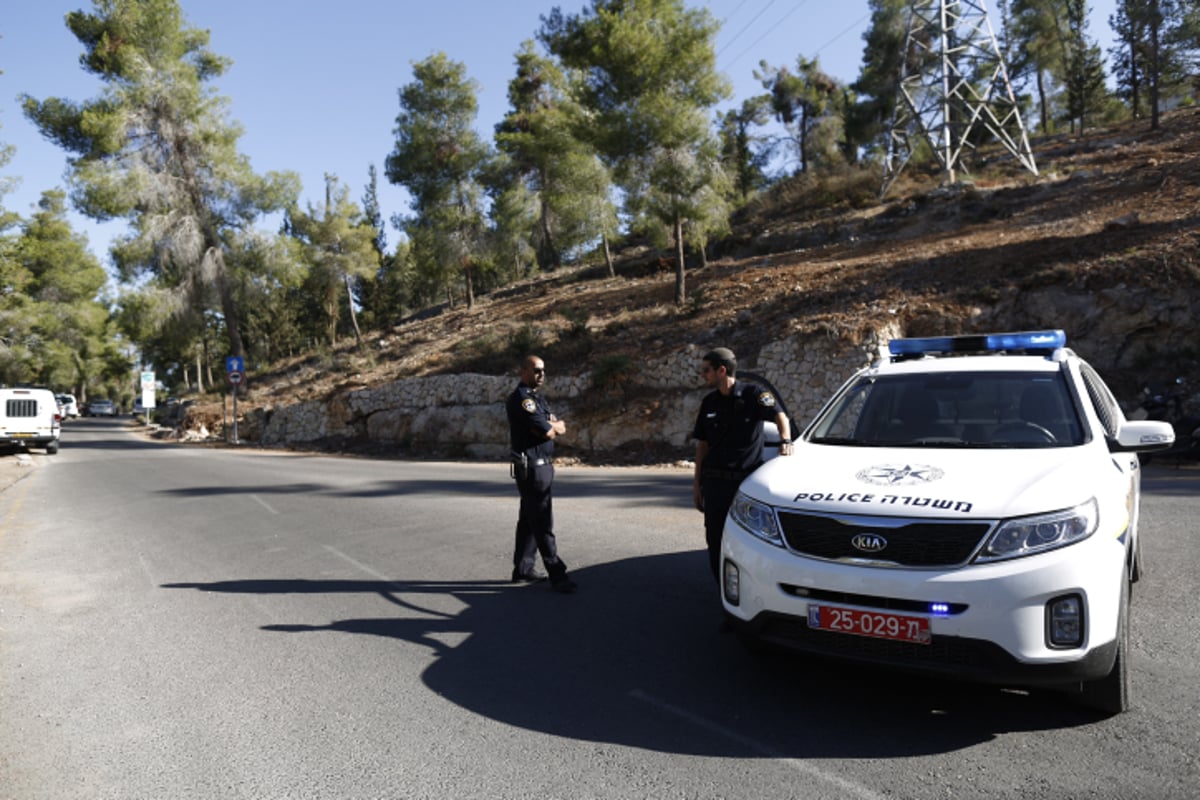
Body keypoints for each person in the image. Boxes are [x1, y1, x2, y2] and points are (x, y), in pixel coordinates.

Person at [692, 347, 792, 582]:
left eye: (706, 370)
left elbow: (780, 416)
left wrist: (785, 440)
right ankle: (723, 593)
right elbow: (702, 446)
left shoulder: (753, 394)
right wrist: (697, 486)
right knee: (715, 542)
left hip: (744, 485)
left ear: (721, 370)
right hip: (715, 485)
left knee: (750, 542)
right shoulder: (708, 403)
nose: (703, 374)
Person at [506, 354, 577, 594]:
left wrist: (553, 425)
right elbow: (547, 431)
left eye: (543, 370)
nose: (541, 375)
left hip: (541, 466)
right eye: (536, 370)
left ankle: (523, 569)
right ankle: (557, 574)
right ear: (523, 371)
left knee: (529, 519)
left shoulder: (537, 398)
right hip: (533, 468)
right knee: (542, 520)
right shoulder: (523, 400)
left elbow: (559, 425)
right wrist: (552, 426)